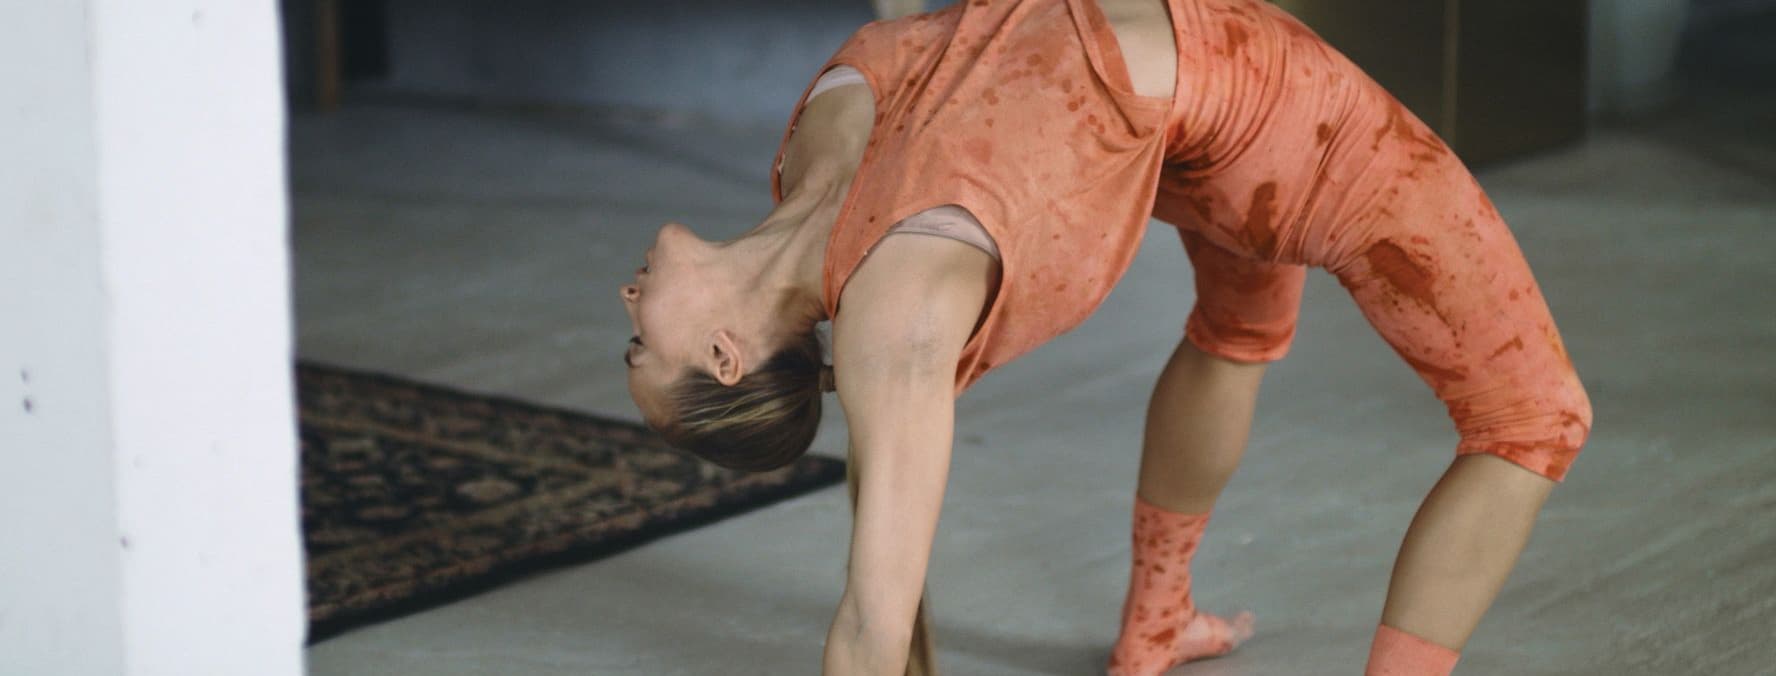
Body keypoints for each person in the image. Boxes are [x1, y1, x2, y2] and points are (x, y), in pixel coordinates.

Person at [616, 0, 1592, 673]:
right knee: (1533, 420)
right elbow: (874, 621)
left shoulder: (804, 172)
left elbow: (928, 52)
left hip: (1185, 131)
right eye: (638, 345)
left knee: (1239, 326)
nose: (625, 300)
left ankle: (1156, 624)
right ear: (725, 357)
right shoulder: (897, 322)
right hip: (1280, 117)